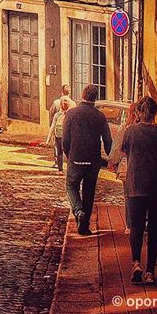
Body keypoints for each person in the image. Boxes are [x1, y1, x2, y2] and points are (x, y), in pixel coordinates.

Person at [121, 95, 157, 285]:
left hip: (136, 185)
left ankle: (136, 263)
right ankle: (150, 272)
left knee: (136, 226)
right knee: (154, 228)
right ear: (156, 112)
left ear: (138, 113)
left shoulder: (130, 132)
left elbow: (124, 152)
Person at [62, 84, 112, 236]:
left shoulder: (71, 114)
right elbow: (108, 141)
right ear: (95, 98)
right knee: (89, 192)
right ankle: (84, 226)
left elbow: (65, 140)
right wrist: (111, 159)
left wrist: (69, 155)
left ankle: (78, 211)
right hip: (93, 161)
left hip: (76, 158)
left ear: (82, 94)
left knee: (71, 186)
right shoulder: (100, 116)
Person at [108, 101, 139, 234]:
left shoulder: (124, 128)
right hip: (144, 167)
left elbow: (116, 148)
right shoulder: (149, 129)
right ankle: (143, 223)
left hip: (127, 166)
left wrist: (113, 162)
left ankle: (130, 225)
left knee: (128, 196)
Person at [49, 85, 77, 167]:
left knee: (58, 147)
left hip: (58, 128)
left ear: (62, 92)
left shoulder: (56, 102)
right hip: (69, 129)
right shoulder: (73, 103)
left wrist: (52, 126)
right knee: (69, 147)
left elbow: (51, 114)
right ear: (69, 92)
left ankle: (58, 163)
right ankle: (70, 164)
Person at [46, 96, 73, 172]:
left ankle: (66, 169)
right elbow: (53, 126)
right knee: (62, 153)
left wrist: (48, 138)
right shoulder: (58, 115)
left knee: (65, 153)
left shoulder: (69, 115)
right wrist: (48, 138)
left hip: (64, 136)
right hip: (59, 136)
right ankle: (62, 169)